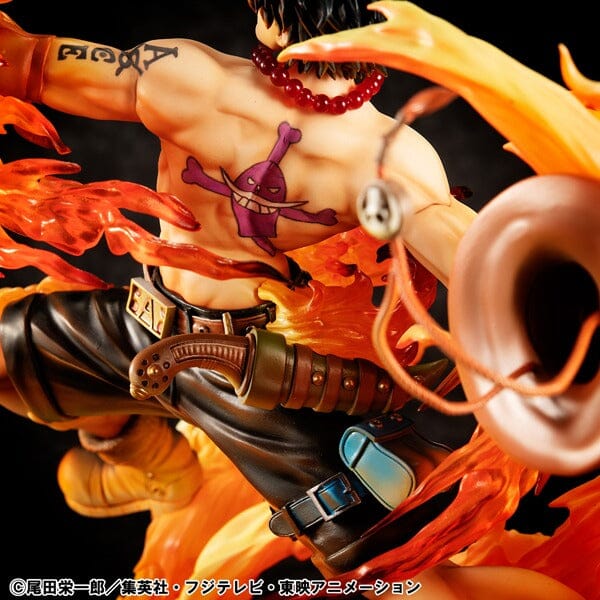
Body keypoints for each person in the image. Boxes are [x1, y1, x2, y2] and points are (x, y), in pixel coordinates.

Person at [0, 0, 477, 583]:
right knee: (7, 359)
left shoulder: (183, 76)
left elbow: (24, 61)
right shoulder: (395, 163)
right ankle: (144, 452)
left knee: (395, 575)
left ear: (267, 14)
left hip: (247, 375)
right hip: (136, 326)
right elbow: (483, 273)